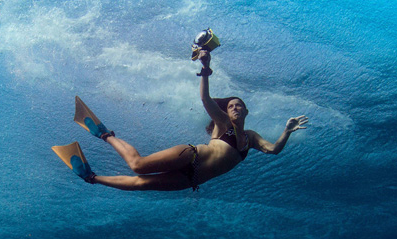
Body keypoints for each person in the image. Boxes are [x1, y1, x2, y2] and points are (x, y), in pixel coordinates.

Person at [79, 49, 308, 191]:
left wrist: (287, 131)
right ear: (227, 112)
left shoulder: (252, 138)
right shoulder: (223, 124)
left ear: (247, 112)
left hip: (192, 178)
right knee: (138, 166)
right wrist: (206, 68)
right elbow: (205, 98)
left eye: (239, 105)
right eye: (231, 106)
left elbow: (274, 150)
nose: (235, 107)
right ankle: (104, 134)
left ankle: (92, 177)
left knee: (142, 185)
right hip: (192, 155)